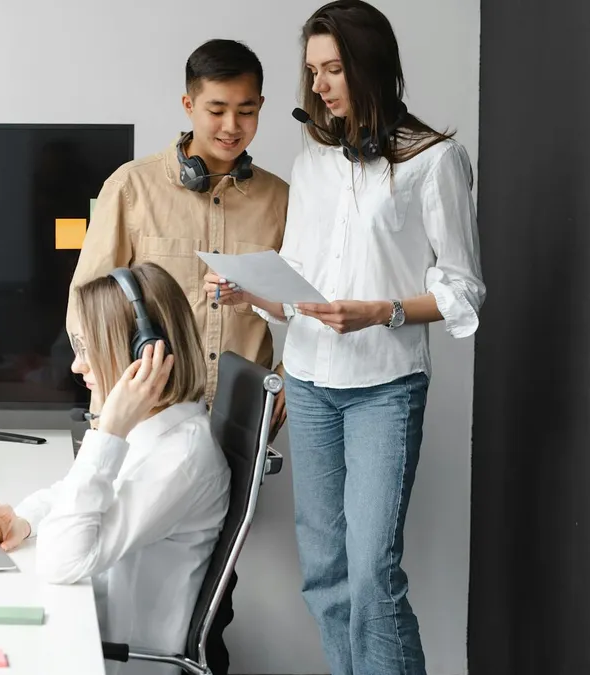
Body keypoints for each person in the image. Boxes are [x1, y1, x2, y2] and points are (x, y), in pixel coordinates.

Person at [206, 2, 484, 673]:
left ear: (371, 67)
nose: (321, 85)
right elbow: (303, 281)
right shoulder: (314, 159)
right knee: (325, 573)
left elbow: (463, 290)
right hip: (307, 381)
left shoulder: (434, 160)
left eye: (333, 68)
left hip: (384, 387)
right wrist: (251, 290)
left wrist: (381, 311)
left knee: (371, 576)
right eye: (313, 71)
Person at [0, 263, 231, 675]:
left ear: (144, 352)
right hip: (85, 632)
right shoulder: (156, 431)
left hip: (110, 659)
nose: (76, 365)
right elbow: (74, 490)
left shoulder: (182, 458)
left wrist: (110, 429)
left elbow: (62, 560)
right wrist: (25, 520)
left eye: (90, 349)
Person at [67, 38, 290, 438]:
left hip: (237, 419)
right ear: (189, 106)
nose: (231, 127)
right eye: (216, 110)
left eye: (246, 111)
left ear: (260, 105)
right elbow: (86, 301)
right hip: (147, 421)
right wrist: (106, 410)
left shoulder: (282, 199)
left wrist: (291, 375)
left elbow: (313, 303)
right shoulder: (130, 187)